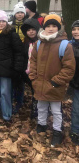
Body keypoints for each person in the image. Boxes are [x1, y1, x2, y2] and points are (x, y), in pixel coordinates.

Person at [29, 14, 75, 147]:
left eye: (54, 26)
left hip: (56, 85)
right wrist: (33, 78)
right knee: (41, 107)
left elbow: (69, 68)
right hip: (40, 83)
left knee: (56, 110)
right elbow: (33, 62)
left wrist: (56, 82)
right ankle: (41, 125)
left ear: (59, 28)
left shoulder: (65, 45)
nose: (50, 28)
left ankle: (57, 132)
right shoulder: (38, 44)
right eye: (48, 26)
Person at [0, 10, 24, 122]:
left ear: (6, 22)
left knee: (5, 93)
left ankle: (7, 115)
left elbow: (19, 53)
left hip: (7, 70)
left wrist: (16, 69)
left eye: (3, 21)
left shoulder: (12, 35)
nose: (1, 23)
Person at [20, 18, 41, 118]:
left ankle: (37, 110)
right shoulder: (25, 43)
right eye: (28, 30)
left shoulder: (42, 43)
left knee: (38, 92)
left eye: (33, 29)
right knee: (34, 91)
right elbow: (24, 57)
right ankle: (34, 109)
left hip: (39, 72)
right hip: (28, 71)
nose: (31, 32)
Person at [11, 2, 27, 114]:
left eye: (22, 12)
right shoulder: (10, 26)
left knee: (21, 81)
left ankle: (20, 101)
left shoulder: (28, 25)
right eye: (18, 13)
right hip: (12, 56)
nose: (20, 15)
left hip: (25, 56)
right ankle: (12, 100)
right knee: (13, 81)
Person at [70, 20, 79, 145]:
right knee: (76, 108)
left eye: (78, 29)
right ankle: (75, 131)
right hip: (76, 82)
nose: (76, 32)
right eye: (74, 29)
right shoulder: (69, 45)